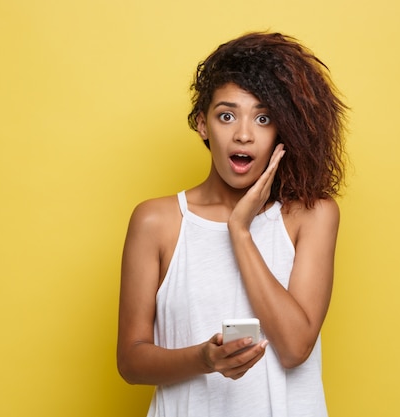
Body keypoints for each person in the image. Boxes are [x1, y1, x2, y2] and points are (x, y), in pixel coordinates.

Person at [117, 31, 348, 417]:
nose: (243, 134)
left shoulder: (313, 214)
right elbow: (131, 360)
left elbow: (294, 348)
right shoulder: (156, 220)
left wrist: (240, 232)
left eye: (263, 118)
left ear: (282, 129)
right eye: (227, 115)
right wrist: (206, 359)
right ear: (202, 124)